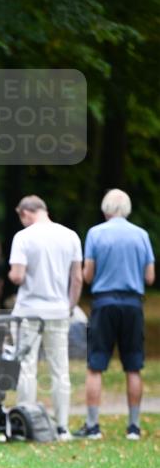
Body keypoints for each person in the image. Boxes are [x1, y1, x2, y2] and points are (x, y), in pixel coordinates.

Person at [74, 189, 155, 441]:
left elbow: (87, 275)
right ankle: (133, 426)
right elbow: (150, 277)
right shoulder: (141, 235)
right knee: (133, 365)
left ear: (106, 209)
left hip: (104, 303)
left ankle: (93, 425)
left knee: (95, 365)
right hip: (132, 304)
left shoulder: (96, 234)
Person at [8, 195, 83, 442]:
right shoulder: (70, 236)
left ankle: (25, 424)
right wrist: (69, 307)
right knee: (60, 369)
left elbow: (17, 276)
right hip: (59, 311)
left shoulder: (24, 237)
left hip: (29, 310)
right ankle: (62, 427)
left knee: (27, 367)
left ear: (25, 213)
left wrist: (12, 273)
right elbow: (77, 279)